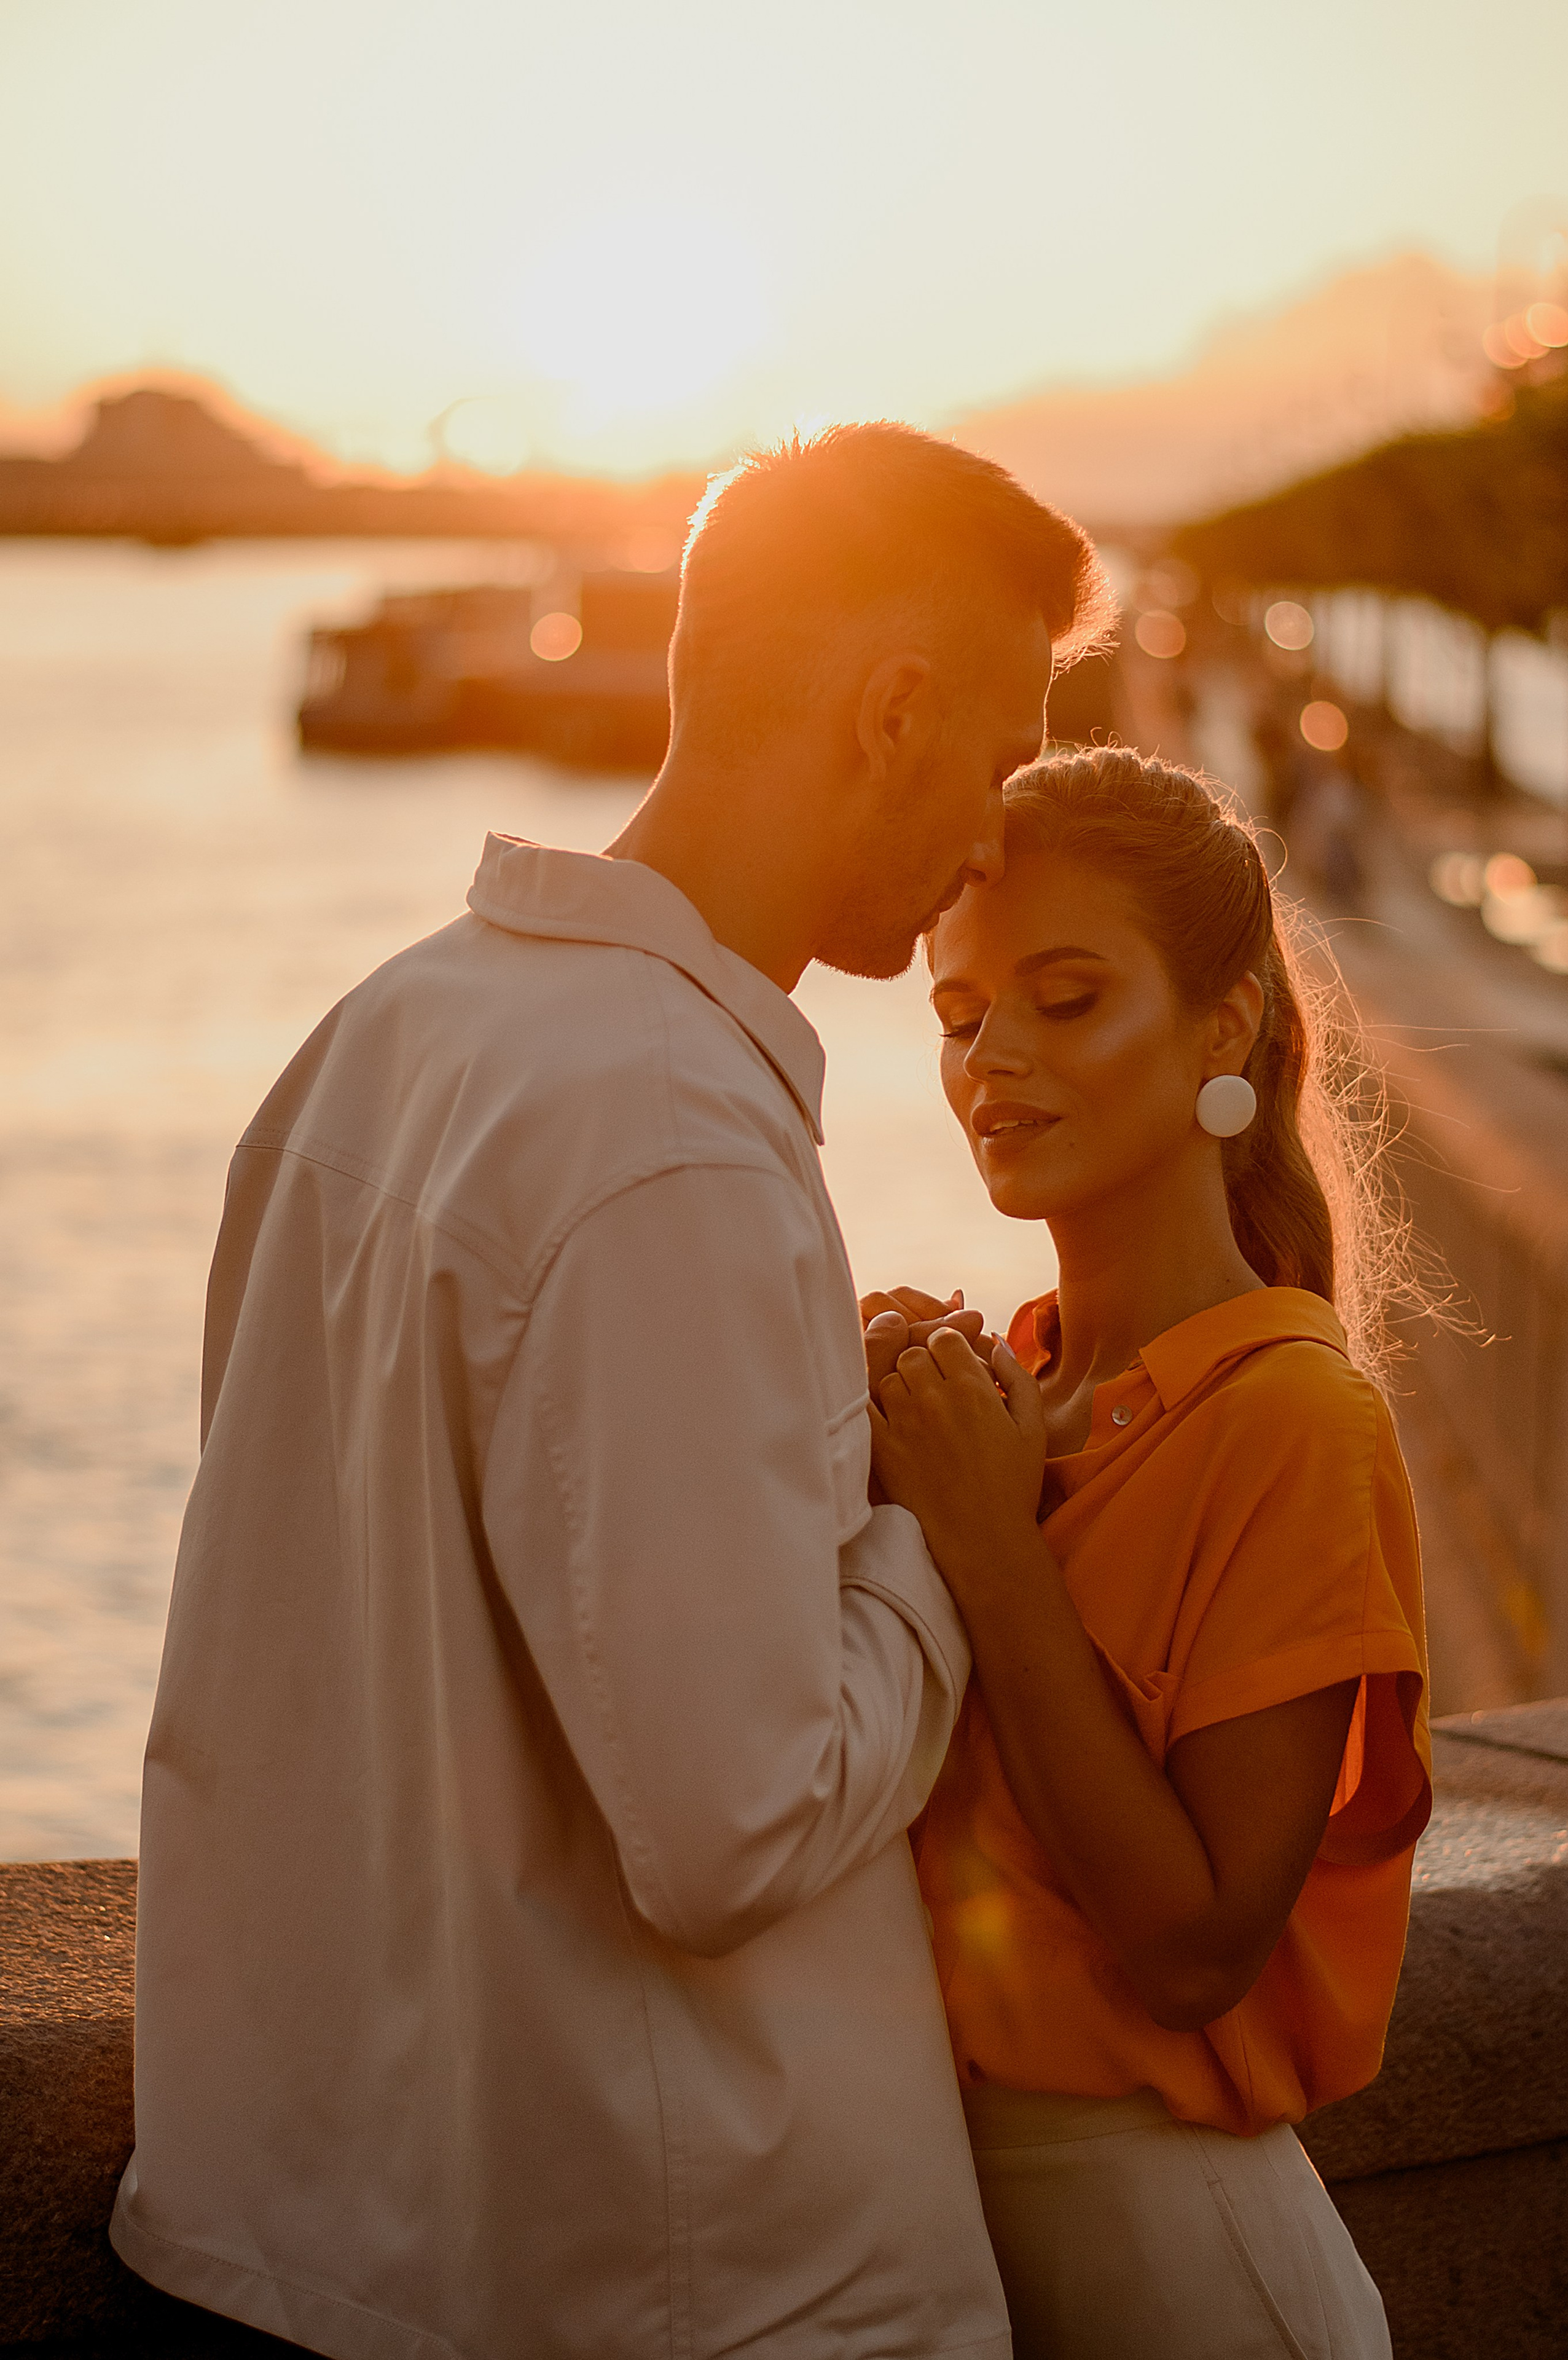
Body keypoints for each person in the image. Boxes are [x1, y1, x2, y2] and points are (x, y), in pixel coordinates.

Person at [111, 425, 1111, 2360]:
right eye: (995, 765)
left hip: (317, 2229)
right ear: (892, 713)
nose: (994, 838)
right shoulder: (677, 1146)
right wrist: (943, 1533)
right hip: (671, 2295)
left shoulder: (386, 1034)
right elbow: (733, 1827)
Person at [863, 745, 1430, 2360]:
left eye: (1064, 998)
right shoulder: (1007, 1391)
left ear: (1225, 1024)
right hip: (939, 2249)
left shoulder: (1291, 1420)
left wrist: (989, 1554)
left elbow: (1193, 1946)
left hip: (1186, 2274)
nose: (995, 1062)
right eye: (962, 1017)